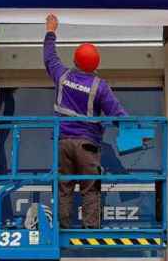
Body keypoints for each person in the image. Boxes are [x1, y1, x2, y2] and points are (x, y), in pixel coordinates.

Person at [43, 13, 127, 229]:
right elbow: (116, 113)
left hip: (62, 143)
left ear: (75, 61)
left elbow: (49, 57)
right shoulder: (100, 86)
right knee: (90, 187)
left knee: (64, 187)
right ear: (95, 65)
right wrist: (135, 128)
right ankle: (91, 227)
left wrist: (51, 31)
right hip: (87, 145)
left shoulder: (62, 76)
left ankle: (62, 226)